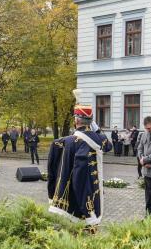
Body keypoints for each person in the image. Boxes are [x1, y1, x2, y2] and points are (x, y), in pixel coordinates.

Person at [47, 94, 112, 227]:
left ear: (76, 121)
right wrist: (95, 126)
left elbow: (54, 170)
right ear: (91, 121)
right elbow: (108, 145)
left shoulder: (68, 142)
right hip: (92, 192)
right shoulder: (99, 139)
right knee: (90, 229)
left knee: (74, 230)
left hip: (73, 194)